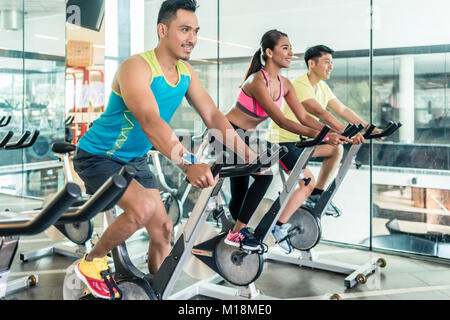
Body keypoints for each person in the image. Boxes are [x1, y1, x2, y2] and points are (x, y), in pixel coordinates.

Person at [72, 0, 257, 300]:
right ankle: (91, 262)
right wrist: (187, 164)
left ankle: (158, 293)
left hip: (135, 159)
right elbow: (150, 121)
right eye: (184, 29)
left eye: (195, 31)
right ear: (162, 30)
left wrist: (247, 155)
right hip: (98, 157)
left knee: (164, 230)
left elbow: (212, 116)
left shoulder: (186, 73)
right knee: (142, 210)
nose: (192, 38)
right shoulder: (137, 67)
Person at [223, 32, 349, 252]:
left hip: (246, 137)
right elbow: (281, 121)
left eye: (291, 48)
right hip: (227, 133)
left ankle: (230, 232)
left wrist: (336, 132)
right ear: (269, 52)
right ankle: (235, 234)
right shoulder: (256, 81)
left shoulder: (285, 84)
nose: (291, 53)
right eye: (285, 48)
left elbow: (305, 118)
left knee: (239, 198)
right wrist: (326, 137)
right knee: (263, 177)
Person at [267, 44, 382, 253]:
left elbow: (342, 109)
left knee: (335, 150)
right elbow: (320, 112)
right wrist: (347, 132)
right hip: (282, 144)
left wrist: (369, 129)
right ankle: (278, 226)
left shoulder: (321, 87)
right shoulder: (301, 84)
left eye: (332, 63)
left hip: (303, 143)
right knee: (306, 183)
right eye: (327, 62)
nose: (331, 67)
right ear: (312, 64)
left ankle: (317, 194)